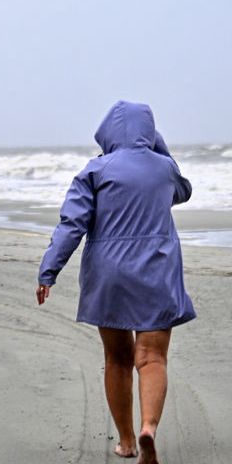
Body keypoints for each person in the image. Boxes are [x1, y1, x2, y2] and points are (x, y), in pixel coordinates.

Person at [36, 100, 195, 464]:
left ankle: (126, 442)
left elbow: (71, 225)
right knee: (152, 358)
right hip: (157, 269)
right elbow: (183, 192)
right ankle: (148, 428)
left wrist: (49, 271)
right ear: (149, 132)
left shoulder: (95, 170)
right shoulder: (164, 169)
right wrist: (158, 149)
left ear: (107, 132)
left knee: (118, 358)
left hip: (109, 274)